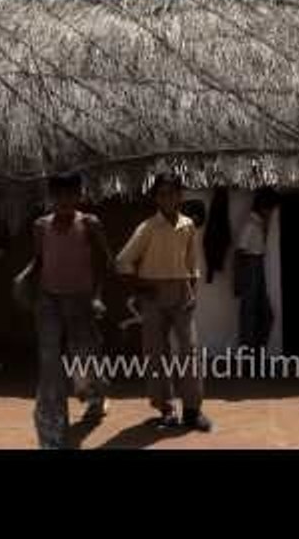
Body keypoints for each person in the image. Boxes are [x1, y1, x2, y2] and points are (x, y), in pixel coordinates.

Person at [13, 172, 113, 449]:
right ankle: (54, 430)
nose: (66, 200)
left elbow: (106, 262)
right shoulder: (40, 226)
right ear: (52, 197)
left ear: (80, 195)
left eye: (72, 194)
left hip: (81, 301)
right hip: (48, 302)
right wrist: (24, 275)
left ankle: (96, 396)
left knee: (85, 358)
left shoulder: (90, 224)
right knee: (50, 365)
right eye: (60, 195)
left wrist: (97, 296)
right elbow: (39, 260)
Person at [115, 172, 211, 432]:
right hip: (153, 295)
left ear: (180, 196)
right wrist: (141, 286)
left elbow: (193, 263)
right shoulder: (147, 228)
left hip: (181, 293)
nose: (167, 198)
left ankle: (192, 411)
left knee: (189, 351)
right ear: (156, 198)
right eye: (162, 194)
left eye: (172, 193)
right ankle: (166, 409)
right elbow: (122, 260)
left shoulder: (189, 225)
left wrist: (192, 290)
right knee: (156, 353)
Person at [234, 188, 279, 349]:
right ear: (263, 207)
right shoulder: (251, 224)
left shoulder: (259, 224)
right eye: (270, 209)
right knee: (249, 314)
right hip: (250, 265)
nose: (271, 213)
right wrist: (238, 280)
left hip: (257, 265)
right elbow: (239, 251)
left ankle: (256, 352)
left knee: (264, 315)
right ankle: (249, 357)